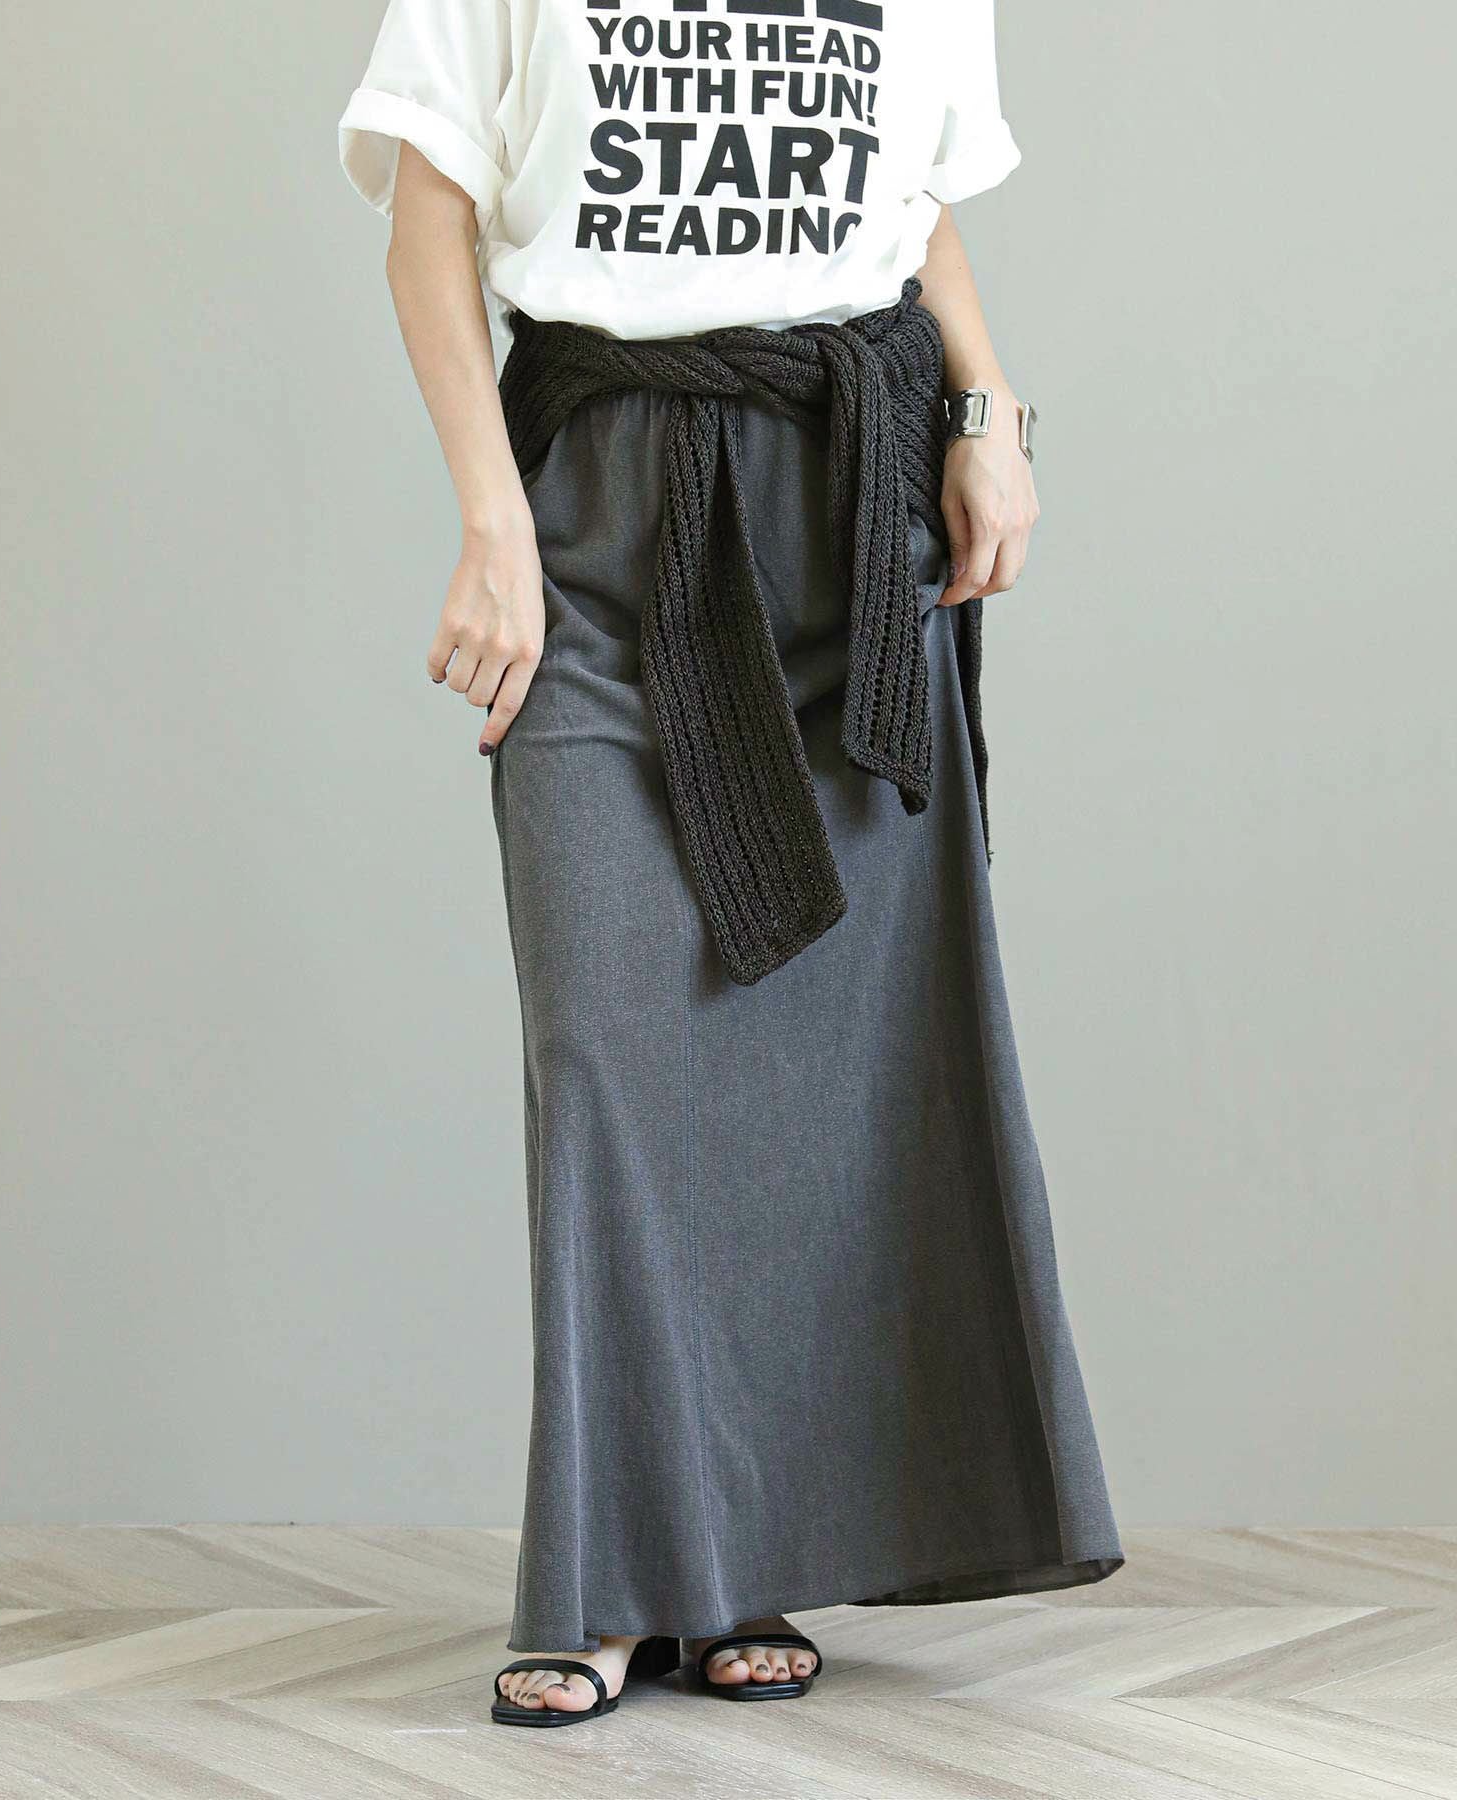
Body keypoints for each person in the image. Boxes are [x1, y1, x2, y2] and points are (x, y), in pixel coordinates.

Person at [338, 0, 1123, 1728]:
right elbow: (428, 219)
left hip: (849, 520)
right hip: (604, 510)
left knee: (809, 1080)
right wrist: (492, 518)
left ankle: (726, 1564)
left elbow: (913, 214)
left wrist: (990, 417)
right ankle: (610, 1577)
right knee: (606, 1057)